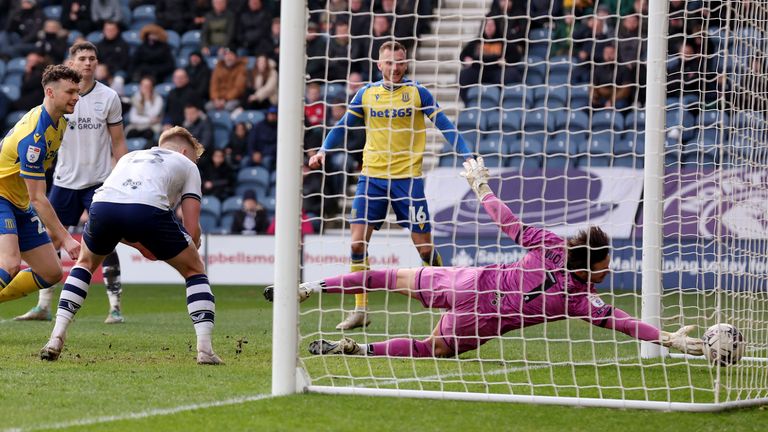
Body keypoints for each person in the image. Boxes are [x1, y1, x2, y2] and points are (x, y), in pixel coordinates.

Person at [265, 158, 705, 359]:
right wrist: (668, 338)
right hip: (483, 319)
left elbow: (508, 223)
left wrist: (482, 188)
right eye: (606, 264)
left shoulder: (552, 244)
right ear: (591, 267)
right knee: (432, 349)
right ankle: (358, 350)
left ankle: (310, 288)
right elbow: (626, 323)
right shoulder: (581, 300)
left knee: (385, 277)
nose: (611, 268)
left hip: (468, 282)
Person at [308, 41, 473, 330]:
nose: (394, 68)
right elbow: (343, 125)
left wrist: (467, 154)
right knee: (358, 242)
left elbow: (446, 126)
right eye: (389, 63)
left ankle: (450, 299)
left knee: (424, 250)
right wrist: (323, 150)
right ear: (379, 65)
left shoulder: (417, 93)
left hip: (407, 181)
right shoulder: (367, 94)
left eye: (399, 62)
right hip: (371, 178)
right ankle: (360, 309)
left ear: (405, 63)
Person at [39, 126, 223, 365]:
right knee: (195, 270)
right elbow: (191, 224)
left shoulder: (130, 157)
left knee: (84, 264)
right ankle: (205, 350)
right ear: (186, 150)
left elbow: (121, 210)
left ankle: (56, 337)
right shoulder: (187, 165)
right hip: (147, 208)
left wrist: (140, 244)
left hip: (103, 206)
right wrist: (188, 247)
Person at [16, 42, 128, 323]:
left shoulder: (109, 97)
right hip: (64, 181)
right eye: (82, 58)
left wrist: (121, 179)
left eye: (92, 58)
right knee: (50, 239)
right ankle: (43, 306)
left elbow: (118, 144)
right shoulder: (62, 98)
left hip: (98, 182)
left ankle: (115, 307)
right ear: (72, 62)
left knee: (106, 240)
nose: (88, 63)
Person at [0, 64, 82, 305]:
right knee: (10, 263)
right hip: (2, 197)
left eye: (77, 91)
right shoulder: (34, 137)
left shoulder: (61, 123)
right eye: (70, 92)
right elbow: (38, 198)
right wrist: (66, 238)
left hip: (19, 202)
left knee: (51, 272)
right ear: (50, 92)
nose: (76, 97)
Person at [125, 76, 164, 141]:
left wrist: (147, 99)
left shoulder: (158, 98)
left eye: (147, 86)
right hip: (137, 126)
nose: (145, 88)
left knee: (148, 133)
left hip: (151, 127)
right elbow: (133, 118)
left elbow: (153, 114)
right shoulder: (136, 98)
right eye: (143, 86)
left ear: (152, 87)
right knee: (131, 133)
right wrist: (149, 120)